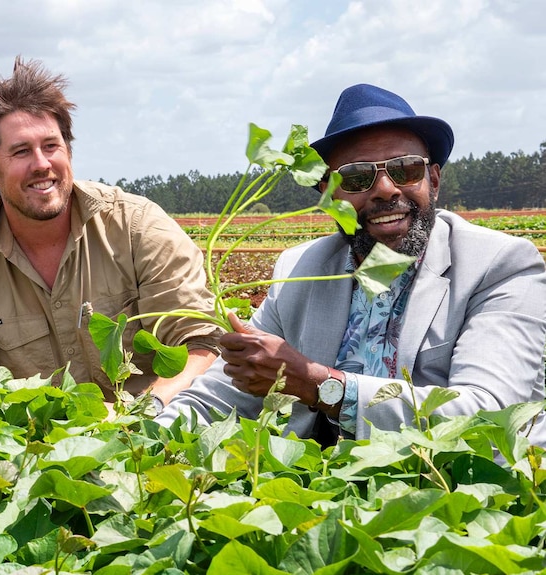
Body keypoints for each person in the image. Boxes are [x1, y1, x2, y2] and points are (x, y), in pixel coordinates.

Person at [157, 83, 546, 447]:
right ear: (326, 193)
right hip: (324, 493)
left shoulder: (498, 264)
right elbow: (219, 396)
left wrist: (318, 384)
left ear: (434, 179)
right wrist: (140, 439)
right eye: (356, 178)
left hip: (457, 488)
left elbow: (487, 415)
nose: (385, 189)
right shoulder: (300, 270)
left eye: (405, 169)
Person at [0, 56, 222, 406]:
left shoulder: (137, 227)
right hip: (33, 451)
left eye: (51, 146)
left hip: (154, 438)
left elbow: (201, 346)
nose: (41, 164)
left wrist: (141, 412)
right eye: (21, 151)